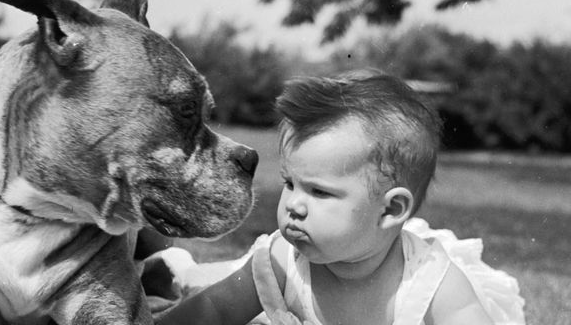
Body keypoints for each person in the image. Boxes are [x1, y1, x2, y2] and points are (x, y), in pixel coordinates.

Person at [155, 72, 525, 325]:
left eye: (319, 192)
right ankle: (170, 267)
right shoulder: (283, 261)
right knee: (210, 284)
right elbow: (216, 310)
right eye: (290, 184)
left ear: (390, 210)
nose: (294, 205)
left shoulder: (432, 284)